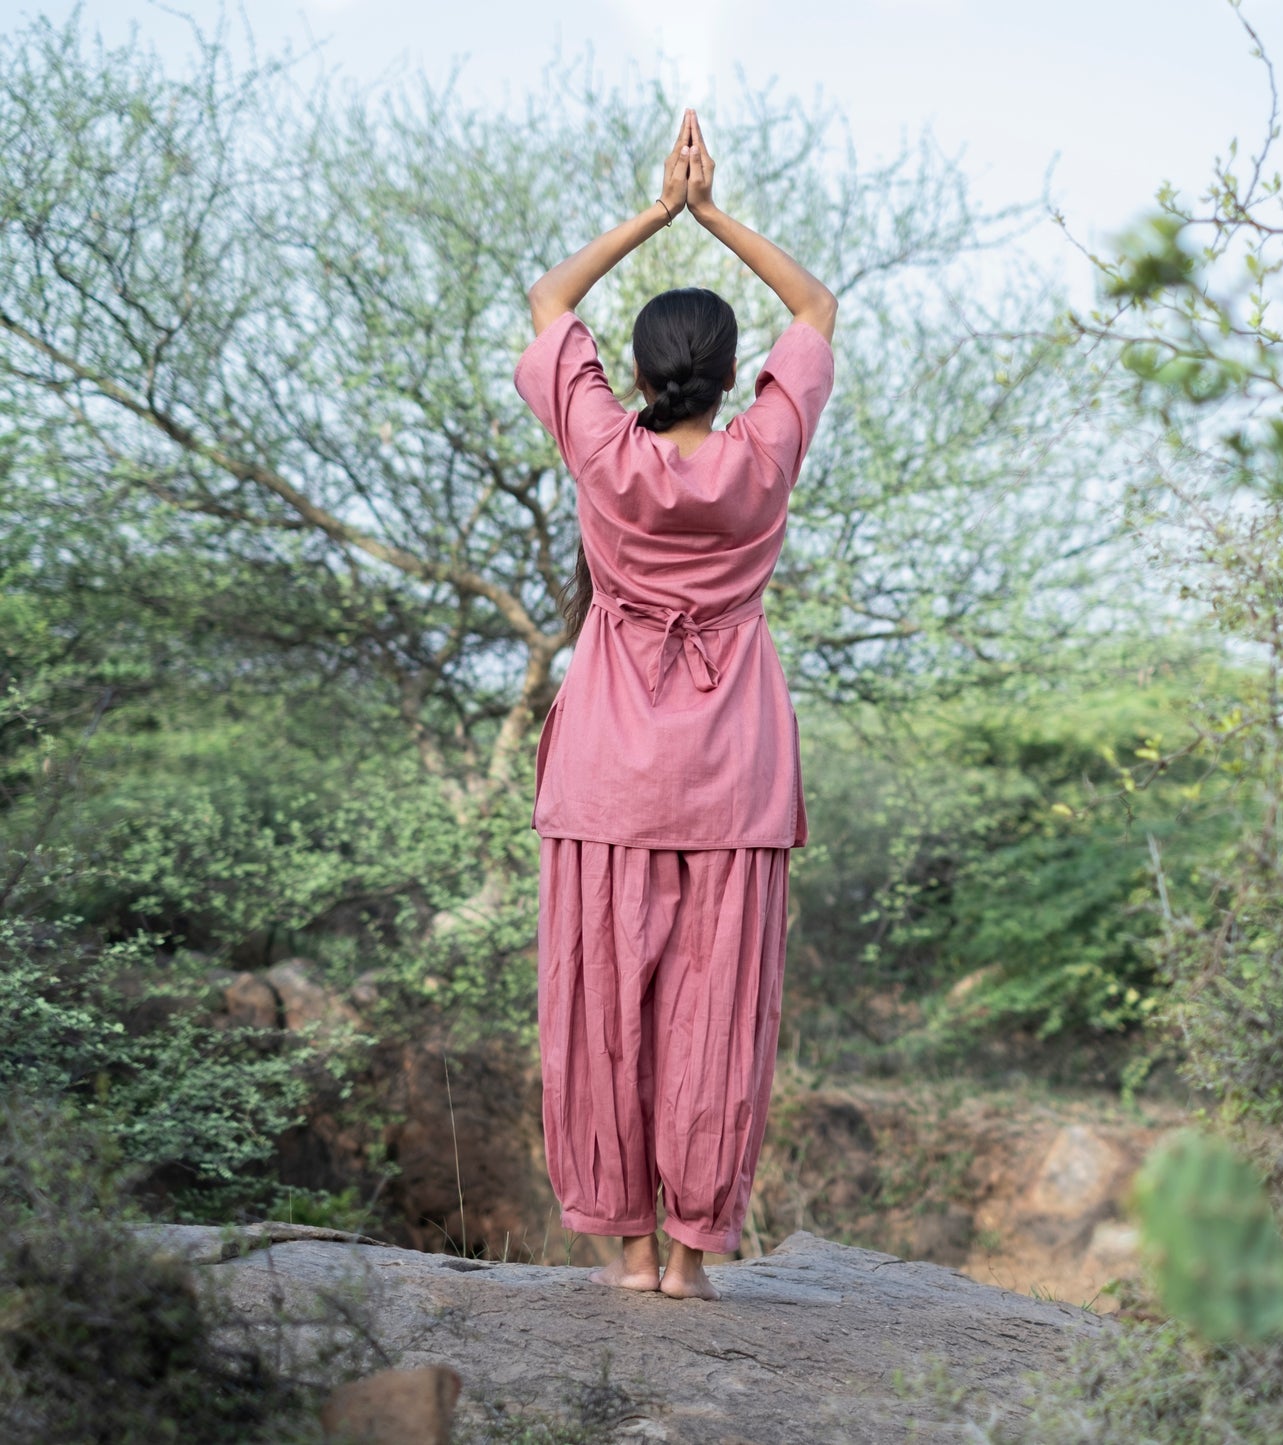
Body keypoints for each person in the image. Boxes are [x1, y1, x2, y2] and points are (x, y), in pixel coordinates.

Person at [514, 109, 837, 1300]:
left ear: (642, 374)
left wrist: (654, 211)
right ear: (725, 367)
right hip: (737, 774)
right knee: (715, 1016)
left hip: (606, 767)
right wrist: (713, 214)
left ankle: (625, 1251)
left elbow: (551, 304)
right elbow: (817, 313)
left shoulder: (607, 451)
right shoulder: (761, 460)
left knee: (601, 1001)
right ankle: (692, 1257)